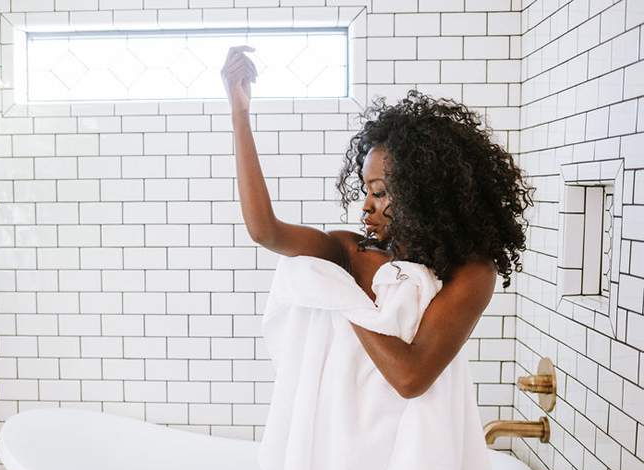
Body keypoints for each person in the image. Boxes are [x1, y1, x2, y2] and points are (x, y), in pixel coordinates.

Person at [220, 45, 534, 400]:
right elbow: (265, 230)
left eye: (381, 192)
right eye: (366, 190)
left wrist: (341, 296)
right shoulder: (350, 251)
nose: (366, 206)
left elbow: (410, 378)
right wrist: (240, 114)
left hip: (417, 444)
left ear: (424, 195)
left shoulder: (471, 273)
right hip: (344, 437)